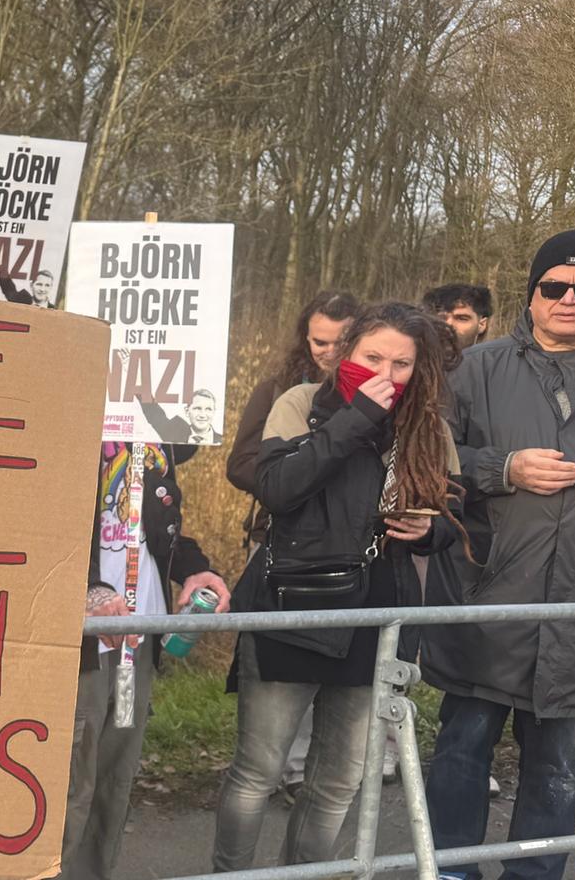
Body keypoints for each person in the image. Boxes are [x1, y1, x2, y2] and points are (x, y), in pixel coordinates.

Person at [211, 302, 462, 870]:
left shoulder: (429, 426)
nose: (386, 374)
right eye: (373, 357)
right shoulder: (301, 402)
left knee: (340, 781)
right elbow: (278, 487)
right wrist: (356, 418)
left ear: (419, 367)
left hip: (377, 616)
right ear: (347, 352)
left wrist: (431, 530)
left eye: (401, 364)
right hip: (292, 607)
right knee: (257, 773)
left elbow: (457, 512)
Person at [424, 230, 575, 880]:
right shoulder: (474, 368)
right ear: (531, 294)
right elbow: (425, 460)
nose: (569, 298)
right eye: (554, 286)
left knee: (557, 769)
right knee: (461, 752)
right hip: (486, 602)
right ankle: (449, 872)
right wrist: (503, 468)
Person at [63, 439, 230, 880]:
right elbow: (42, 524)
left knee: (113, 782)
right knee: (69, 783)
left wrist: (194, 568)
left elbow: (153, 530)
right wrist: (89, 590)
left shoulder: (157, 442)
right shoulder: (67, 419)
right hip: (83, 644)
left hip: (135, 646)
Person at [227, 290, 360, 794]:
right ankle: (287, 770)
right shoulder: (280, 389)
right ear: (305, 338)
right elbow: (241, 463)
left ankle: (320, 774)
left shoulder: (380, 392)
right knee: (283, 665)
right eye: (318, 341)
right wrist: (297, 478)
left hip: (352, 550)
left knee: (345, 669)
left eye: (340, 342)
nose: (329, 352)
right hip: (281, 540)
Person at [423, 283, 494, 349]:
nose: (448, 325)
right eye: (441, 318)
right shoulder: (418, 357)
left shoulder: (492, 357)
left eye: (462, 319)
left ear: (481, 324)